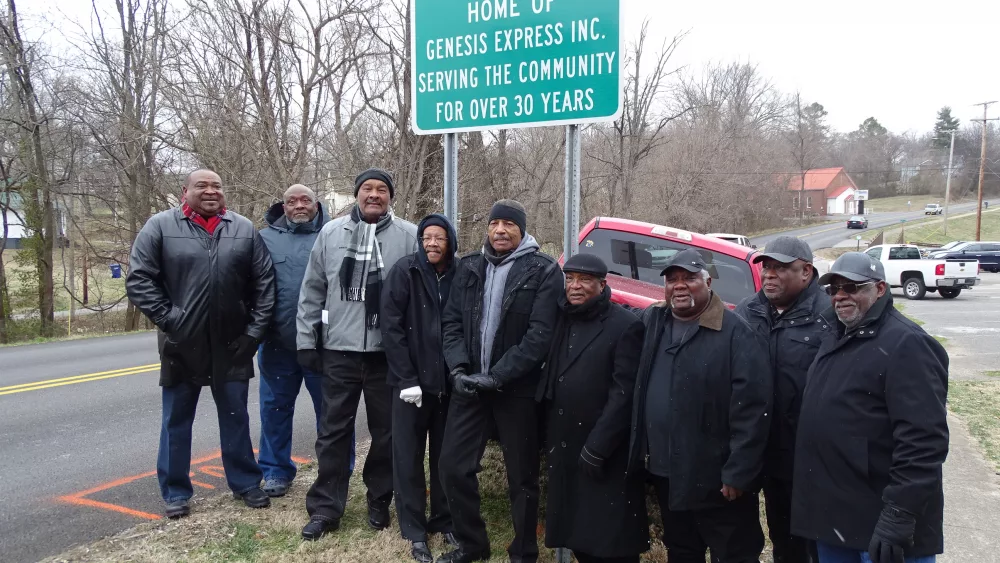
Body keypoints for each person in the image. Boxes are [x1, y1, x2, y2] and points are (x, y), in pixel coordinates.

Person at [126, 169, 275, 518]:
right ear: (185, 191)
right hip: (181, 344)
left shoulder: (243, 229)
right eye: (202, 186)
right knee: (176, 421)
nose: (211, 191)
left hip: (233, 344)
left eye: (217, 186)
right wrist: (172, 320)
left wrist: (253, 334)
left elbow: (265, 286)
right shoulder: (160, 227)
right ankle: (175, 492)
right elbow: (139, 279)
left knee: (236, 418)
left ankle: (246, 484)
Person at [792, 253, 949, 563]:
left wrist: (899, 513)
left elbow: (924, 441)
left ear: (879, 289)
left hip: (880, 526)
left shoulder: (907, 344)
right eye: (834, 288)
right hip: (837, 519)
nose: (840, 295)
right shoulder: (838, 335)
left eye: (852, 287)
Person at [437, 199, 562, 563]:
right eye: (495, 224)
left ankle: (523, 551)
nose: (501, 230)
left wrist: (498, 376)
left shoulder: (543, 270)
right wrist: (459, 370)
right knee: (452, 467)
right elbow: (451, 325)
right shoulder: (470, 267)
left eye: (509, 224)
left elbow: (540, 336)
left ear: (522, 230)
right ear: (487, 228)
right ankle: (472, 544)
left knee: (522, 479)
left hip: (517, 391)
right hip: (470, 388)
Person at [296, 168, 418, 540]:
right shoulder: (331, 233)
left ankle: (379, 497)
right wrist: (306, 341)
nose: (374, 195)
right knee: (333, 432)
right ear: (357, 194)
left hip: (387, 354)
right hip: (339, 352)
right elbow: (313, 289)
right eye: (368, 188)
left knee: (386, 432)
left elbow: (419, 297)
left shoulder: (409, 236)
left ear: (390, 197)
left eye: (382, 189)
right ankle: (325, 508)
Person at [628, 248, 772, 563]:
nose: (679, 286)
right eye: (672, 280)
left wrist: (739, 471)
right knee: (682, 550)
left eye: (689, 278)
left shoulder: (735, 332)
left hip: (717, 478)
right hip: (667, 472)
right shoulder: (654, 322)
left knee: (733, 553)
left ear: (708, 282)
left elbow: (753, 410)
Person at [537, 253, 648, 563]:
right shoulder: (561, 318)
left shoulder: (624, 326)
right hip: (565, 445)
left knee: (610, 539)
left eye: (584, 280)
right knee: (579, 535)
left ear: (602, 284)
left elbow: (624, 395)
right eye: (570, 279)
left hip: (602, 452)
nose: (575, 286)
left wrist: (598, 447)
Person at [734, 237, 833, 563]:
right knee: (779, 537)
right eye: (766, 267)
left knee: (811, 542)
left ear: (806, 271)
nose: (770, 275)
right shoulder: (749, 311)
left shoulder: (828, 317)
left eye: (781, 268)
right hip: (758, 450)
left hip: (806, 457)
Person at [258, 184, 358, 498]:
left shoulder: (337, 234)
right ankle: (275, 471)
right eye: (291, 201)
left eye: (305, 200)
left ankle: (339, 469)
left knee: (333, 413)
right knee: (274, 409)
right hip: (278, 344)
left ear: (316, 204)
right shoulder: (264, 239)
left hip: (326, 344)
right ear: (282, 206)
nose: (299, 205)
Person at [380, 214, 461, 562]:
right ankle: (414, 529)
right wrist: (407, 378)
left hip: (448, 387)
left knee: (445, 458)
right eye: (426, 237)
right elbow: (391, 328)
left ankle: (444, 520)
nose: (432, 243)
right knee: (408, 459)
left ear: (450, 242)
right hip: (409, 387)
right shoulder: (404, 271)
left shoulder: (462, 274)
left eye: (439, 238)